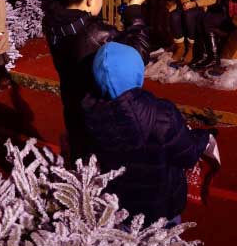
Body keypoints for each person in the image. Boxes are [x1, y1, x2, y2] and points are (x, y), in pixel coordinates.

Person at [83, 42, 212, 226]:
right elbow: (188, 156)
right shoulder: (163, 115)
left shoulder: (90, 114)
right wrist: (202, 138)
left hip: (119, 206)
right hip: (162, 207)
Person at [43, 0, 150, 164]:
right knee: (100, 166)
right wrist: (134, 10)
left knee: (79, 157)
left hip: (72, 102)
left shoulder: (51, 17)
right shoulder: (96, 33)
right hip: (100, 115)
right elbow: (137, 55)